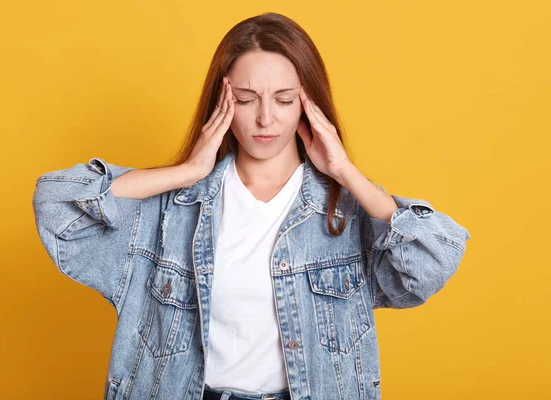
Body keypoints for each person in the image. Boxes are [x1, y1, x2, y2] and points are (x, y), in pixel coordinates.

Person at [32, 12, 471, 400]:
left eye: (284, 100)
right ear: (221, 103)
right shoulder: (167, 212)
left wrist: (345, 172)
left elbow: (433, 259)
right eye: (245, 99)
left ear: (309, 103)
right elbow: (57, 204)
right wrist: (186, 172)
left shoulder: (347, 215)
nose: (265, 119)